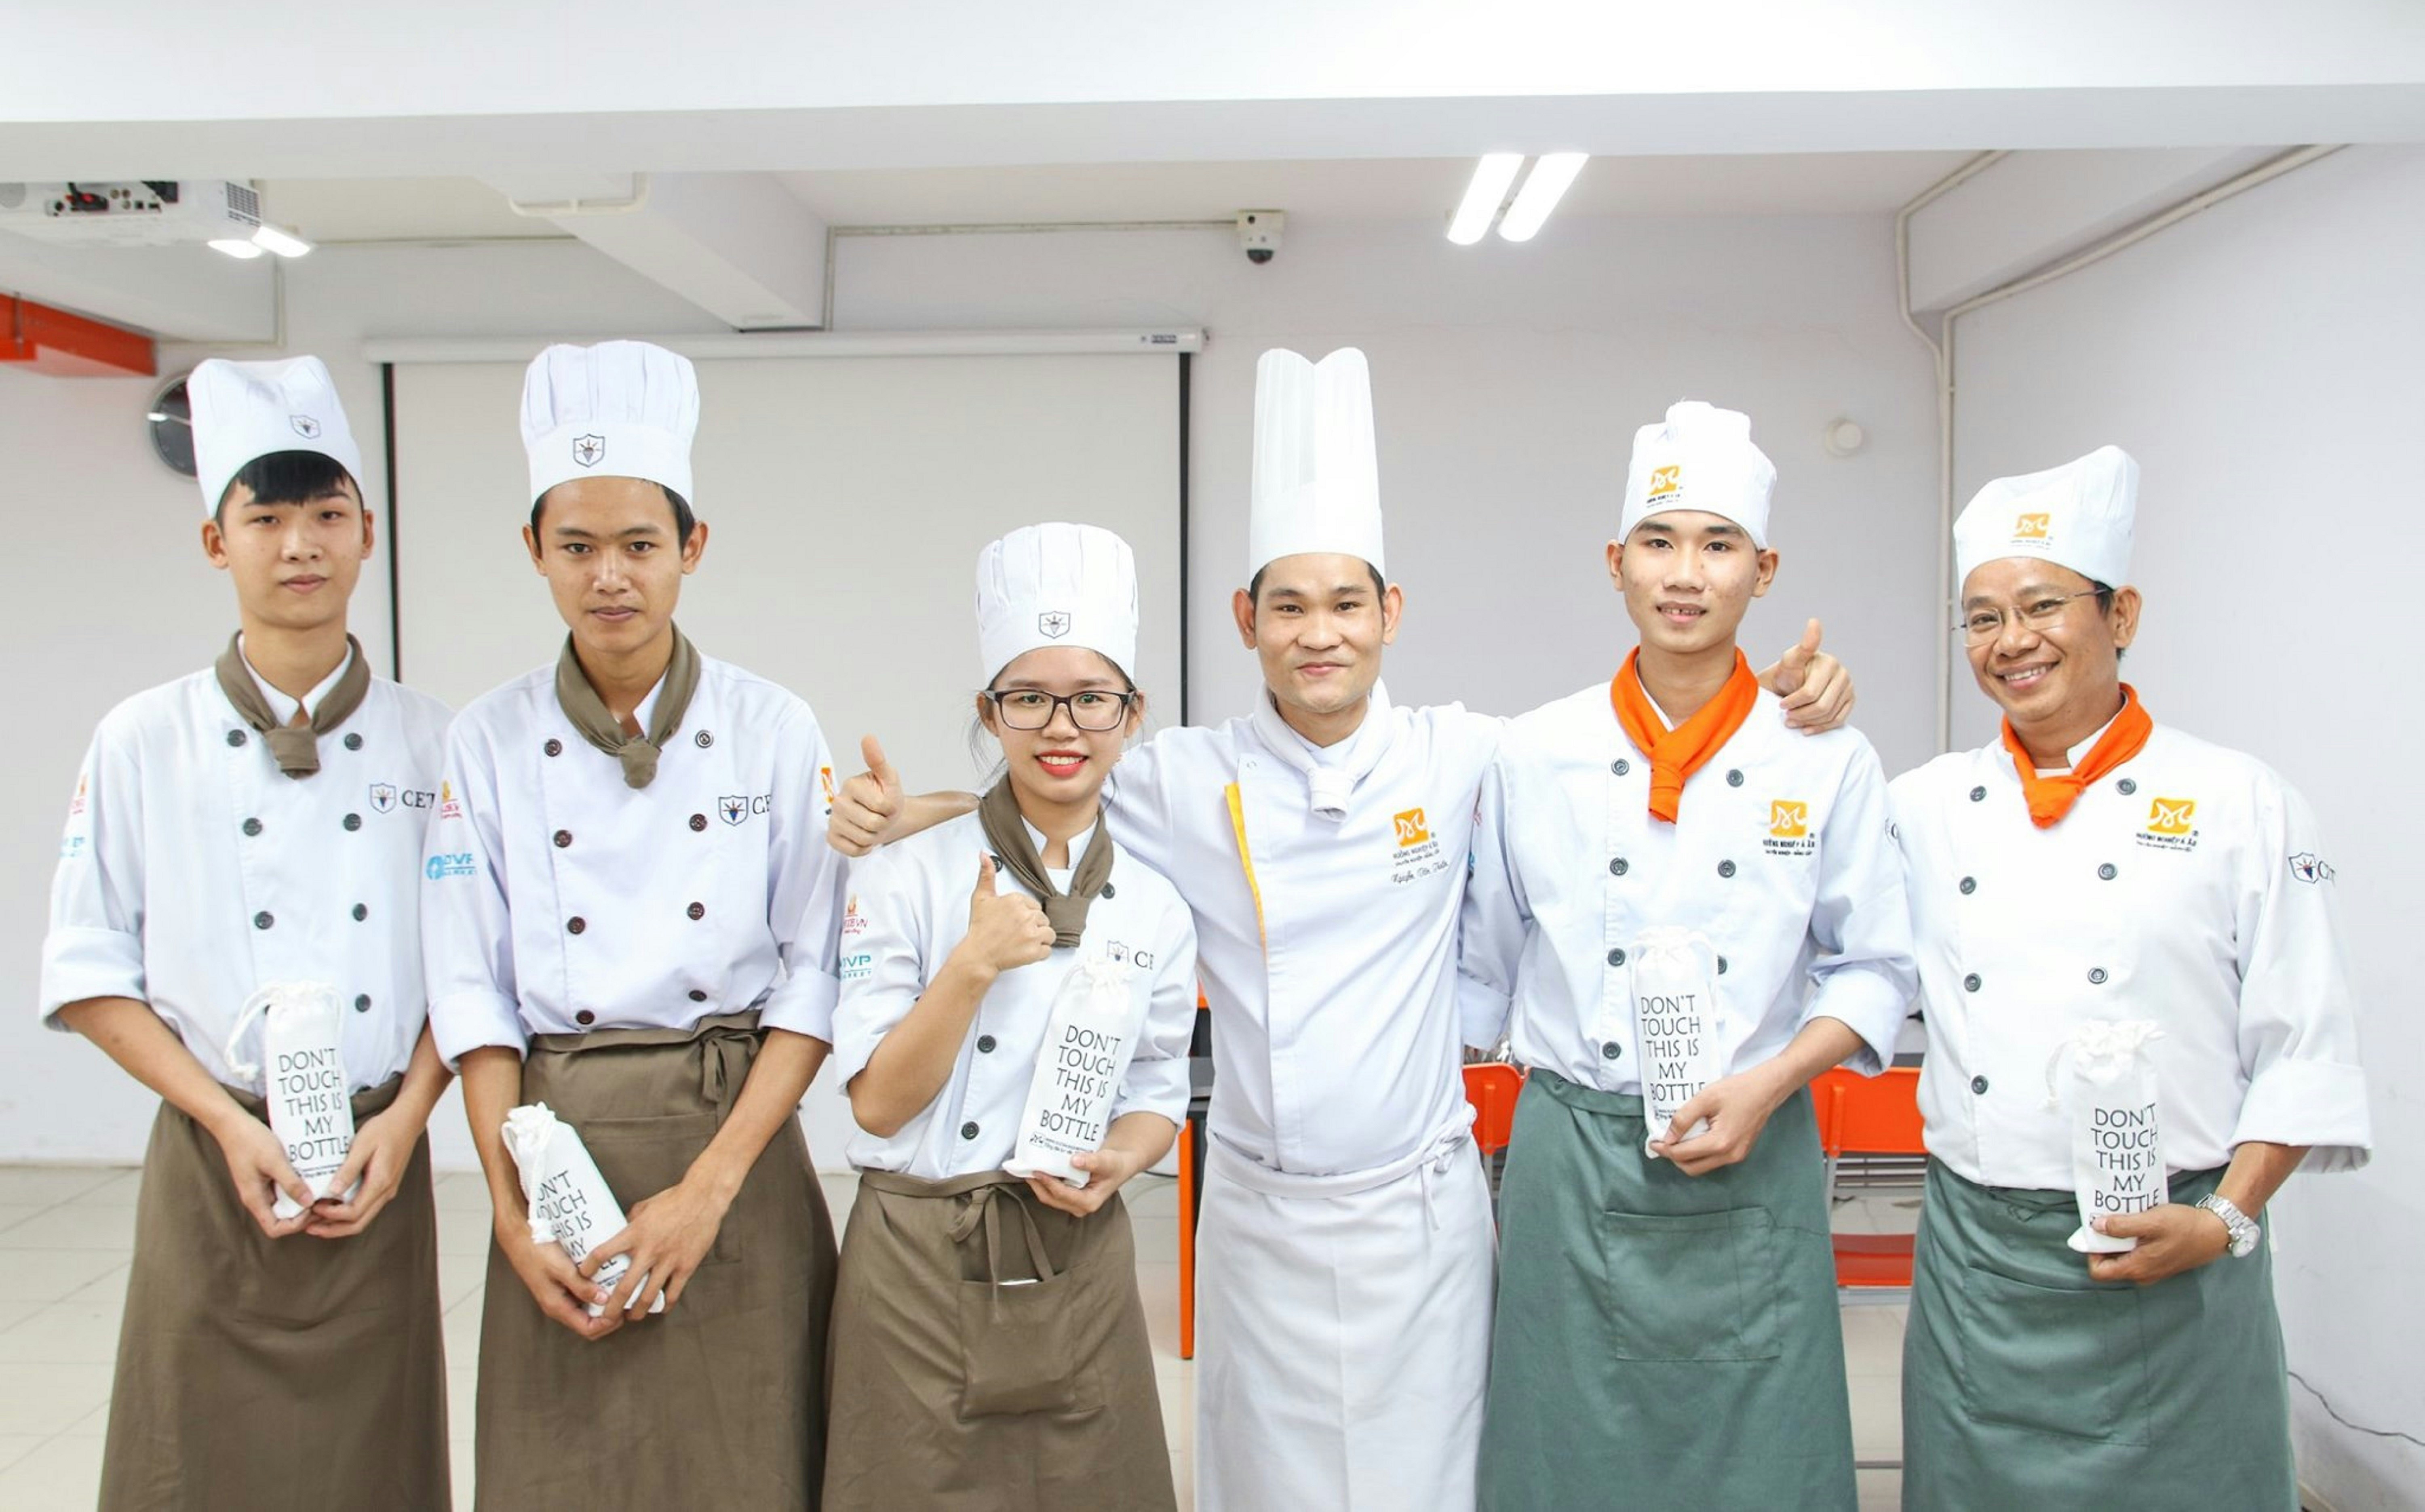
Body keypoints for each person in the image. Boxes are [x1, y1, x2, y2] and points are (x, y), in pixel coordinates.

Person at [828, 348, 1854, 1509]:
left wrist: (1794, 695)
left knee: (1434, 1481)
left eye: (1347, 604)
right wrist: (911, 813)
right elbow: (1051, 780)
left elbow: (1644, 741)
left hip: (1422, 1212)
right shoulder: (1184, 777)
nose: (1320, 634)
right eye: (1289, 606)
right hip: (1258, 1209)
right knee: (1266, 1483)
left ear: (1390, 614)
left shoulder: (1470, 753)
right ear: (1247, 620)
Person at [1889, 446, 2370, 1510]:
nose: (2012, 640)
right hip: (1980, 1262)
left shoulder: (2241, 799)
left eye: (2042, 605)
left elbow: (2303, 1043)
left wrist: (2226, 1218)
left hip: (2178, 1241)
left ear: (2123, 614)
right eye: (1982, 617)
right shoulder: (1922, 807)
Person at [1460, 400, 1917, 1511]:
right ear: (1615, 562)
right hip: (1573, 1151)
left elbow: (1875, 967)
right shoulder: (1536, 751)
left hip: (1757, 1143)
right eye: (1659, 542)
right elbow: (1487, 963)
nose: (1685, 573)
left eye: (1718, 546)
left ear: (1765, 571)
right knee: (1566, 1457)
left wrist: (1772, 1082)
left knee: (1761, 1463)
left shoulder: (1824, 757)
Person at [421, 340, 847, 1510]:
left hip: (735, 1143)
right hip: (557, 1143)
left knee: (747, 1465)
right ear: (533, 550)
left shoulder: (773, 725)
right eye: (577, 546)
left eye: (640, 545)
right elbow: (471, 992)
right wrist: (512, 1212)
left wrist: (708, 1190)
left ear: (692, 547)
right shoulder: (486, 739)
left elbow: (814, 976)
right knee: (566, 1472)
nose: (609, 577)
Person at [42, 355, 454, 1511]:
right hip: (212, 1149)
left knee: (372, 1459)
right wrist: (228, 1121)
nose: (299, 545)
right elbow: (89, 969)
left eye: (326, 514)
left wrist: (408, 1121)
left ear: (366, 534)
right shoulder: (144, 737)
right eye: (265, 519)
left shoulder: (437, 742)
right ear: (216, 542)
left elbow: (474, 972)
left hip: (378, 1154)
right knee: (194, 1454)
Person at [823, 521, 1196, 1511]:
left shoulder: (1156, 904)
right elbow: (877, 1105)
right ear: (991, 712)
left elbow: (1160, 1083)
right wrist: (971, 966)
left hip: (1076, 1248)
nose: (1062, 726)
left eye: (1091, 697)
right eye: (1029, 697)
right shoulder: (905, 873)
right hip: (915, 1252)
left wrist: (1122, 1156)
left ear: (1131, 713)